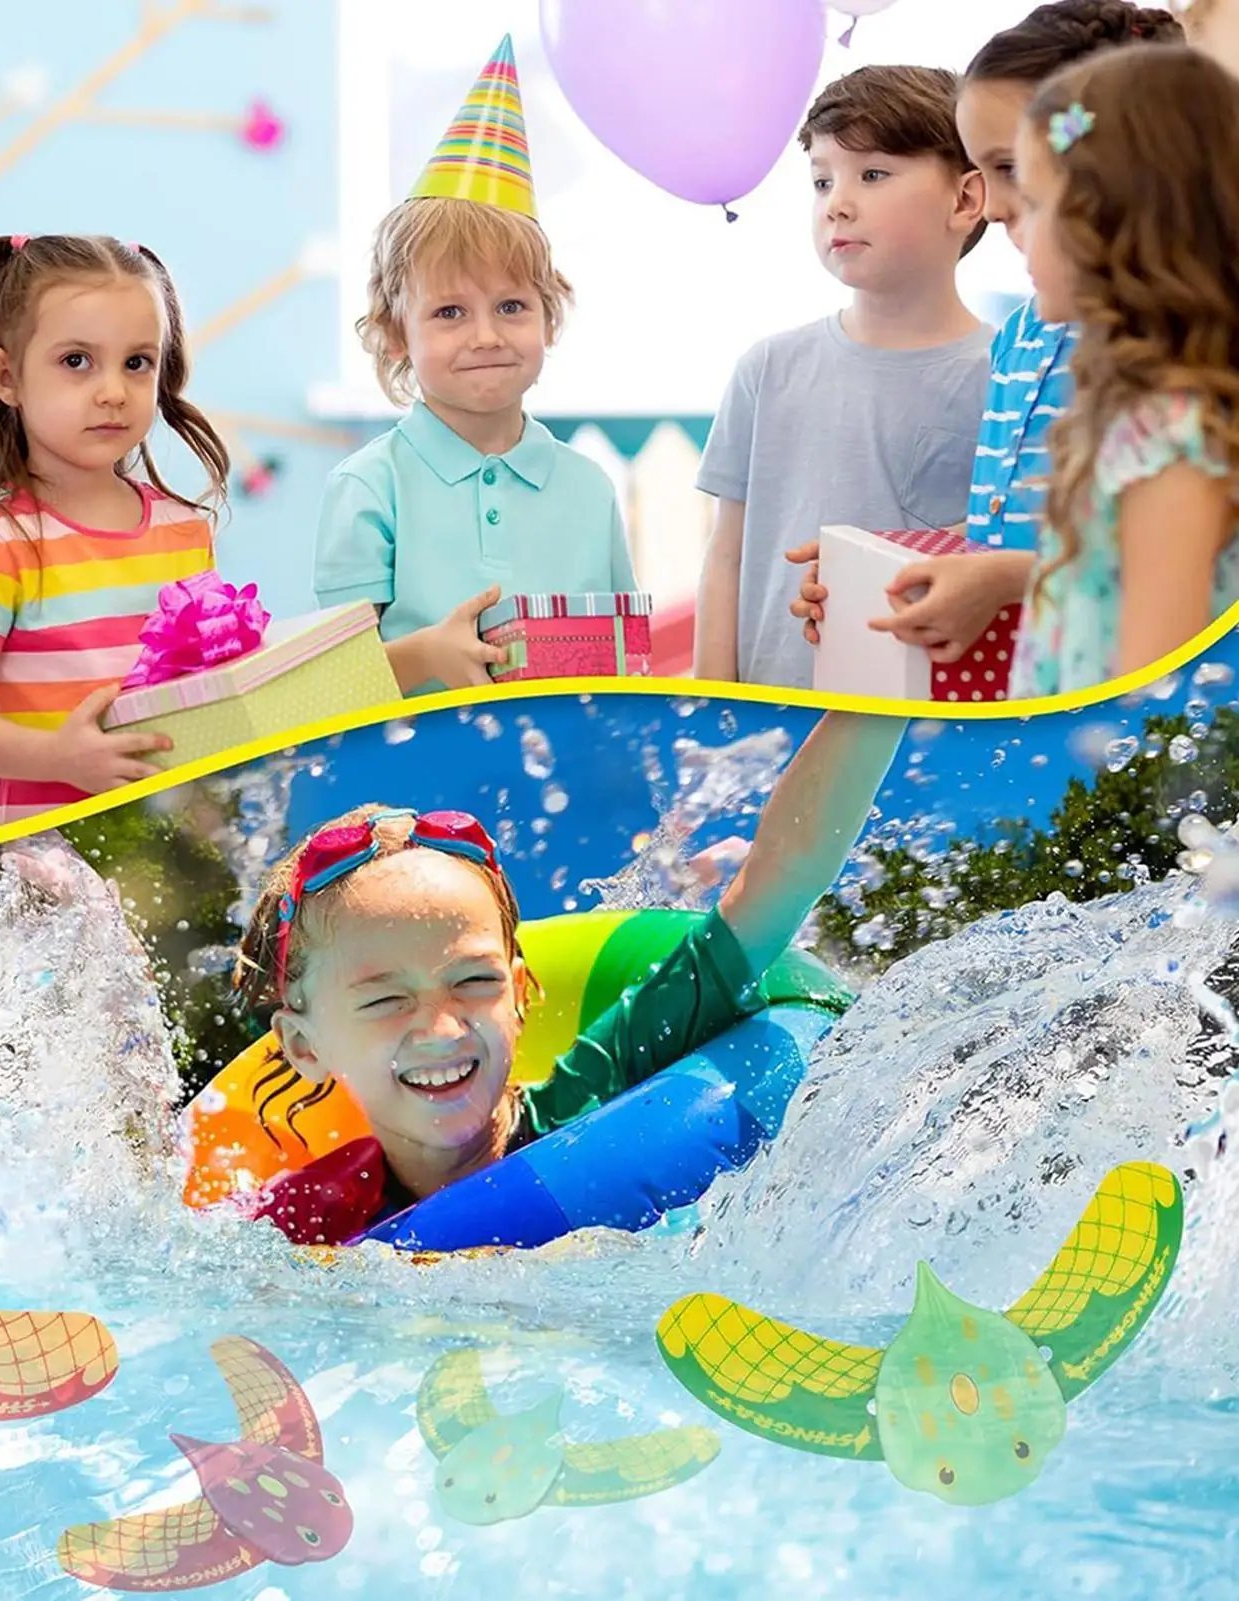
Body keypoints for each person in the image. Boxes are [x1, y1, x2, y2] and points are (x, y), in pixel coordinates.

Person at [227, 711, 904, 1246]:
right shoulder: (299, 1224)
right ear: (303, 1045)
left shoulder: (599, 1093)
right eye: (383, 998)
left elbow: (778, 882)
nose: (440, 1025)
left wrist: (878, 689)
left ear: (520, 995)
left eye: (472, 982)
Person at [788, 2, 1184, 667]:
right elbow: (1011, 530)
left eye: (1008, 166)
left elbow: (1174, 558)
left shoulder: (1180, 346)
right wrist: (888, 566)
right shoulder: (1023, 335)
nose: (991, 203)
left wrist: (1003, 580)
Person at [314, 38, 635, 699]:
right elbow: (327, 691)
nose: (485, 335)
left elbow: (621, 669)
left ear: (549, 318)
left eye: (511, 305)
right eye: (449, 312)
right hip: (410, 791)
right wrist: (422, 655)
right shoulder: (369, 488)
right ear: (393, 334)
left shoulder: (588, 489)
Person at [691, 64, 992, 691]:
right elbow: (727, 557)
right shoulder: (767, 369)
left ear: (965, 199)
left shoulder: (1004, 378)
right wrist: (712, 707)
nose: (838, 204)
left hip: (924, 729)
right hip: (768, 724)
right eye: (822, 181)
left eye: (873, 174)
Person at [0, 234, 230, 830]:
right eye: (76, 361)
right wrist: (57, 757)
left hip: (175, 852)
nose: (113, 391)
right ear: (7, 377)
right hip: (44, 866)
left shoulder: (186, 533)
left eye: (137, 363)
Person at [1007, 43, 1239, 694]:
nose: (1017, 231)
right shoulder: (1131, 413)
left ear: (1106, 218)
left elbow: (1148, 703)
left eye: (1032, 202)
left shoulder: (1171, 436)